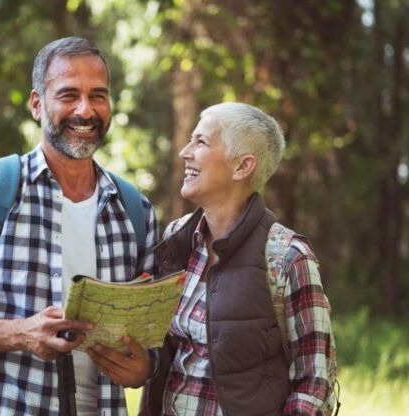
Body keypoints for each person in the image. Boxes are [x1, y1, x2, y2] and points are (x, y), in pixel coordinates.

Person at [0, 36, 158, 415]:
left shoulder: (135, 209)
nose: (85, 110)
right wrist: (22, 333)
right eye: (69, 95)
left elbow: (152, 336)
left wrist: (145, 367)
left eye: (98, 95)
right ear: (37, 104)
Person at [89, 102, 336, 415]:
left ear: (242, 167)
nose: (185, 152)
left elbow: (314, 382)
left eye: (201, 141)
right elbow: (165, 353)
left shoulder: (288, 258)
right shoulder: (177, 239)